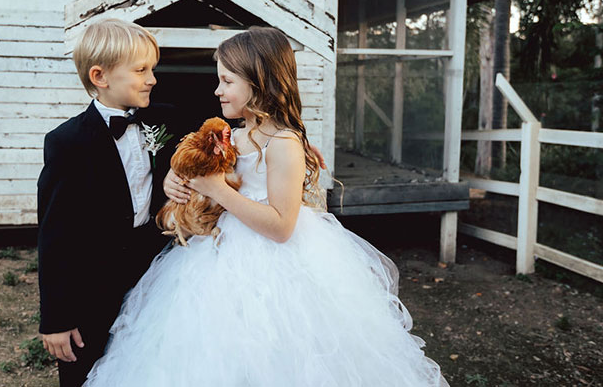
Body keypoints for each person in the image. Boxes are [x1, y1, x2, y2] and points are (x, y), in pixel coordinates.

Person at [83, 27, 449, 386]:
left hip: (276, 263)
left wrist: (220, 191)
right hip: (216, 256)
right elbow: (211, 174)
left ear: (257, 84)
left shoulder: (283, 142)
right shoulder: (234, 135)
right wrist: (183, 180)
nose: (217, 90)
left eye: (227, 81)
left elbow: (280, 226)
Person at [36, 19, 177, 387]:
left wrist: (287, 142)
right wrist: (56, 321)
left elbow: (226, 132)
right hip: (91, 286)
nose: (152, 79)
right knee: (87, 370)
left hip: (153, 272)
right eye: (141, 70)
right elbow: (55, 237)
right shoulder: (67, 143)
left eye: (152, 69)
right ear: (100, 76)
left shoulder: (163, 119)